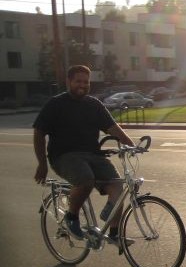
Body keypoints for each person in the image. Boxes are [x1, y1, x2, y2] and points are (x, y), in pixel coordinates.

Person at [33, 65, 135, 242]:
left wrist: (131, 144)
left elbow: (112, 127)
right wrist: (42, 163)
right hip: (64, 156)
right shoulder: (55, 104)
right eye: (78, 81)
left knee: (118, 185)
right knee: (86, 179)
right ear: (69, 82)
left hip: (93, 155)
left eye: (86, 82)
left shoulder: (94, 105)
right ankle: (71, 217)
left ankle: (114, 233)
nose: (82, 85)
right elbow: (39, 133)